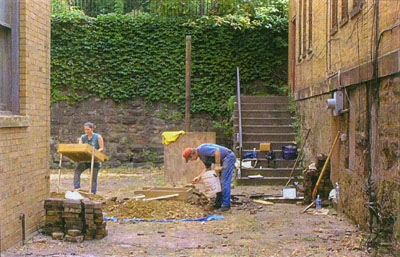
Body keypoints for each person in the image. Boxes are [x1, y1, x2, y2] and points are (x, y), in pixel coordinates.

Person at [182, 143, 236, 212]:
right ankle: (218, 203)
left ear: (192, 154)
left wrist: (217, 165)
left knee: (224, 181)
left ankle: (226, 205)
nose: (191, 161)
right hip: (223, 160)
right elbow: (208, 168)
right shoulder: (201, 156)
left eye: (190, 159)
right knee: (218, 182)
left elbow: (217, 151)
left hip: (228, 157)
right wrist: (199, 177)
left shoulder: (202, 149)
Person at [73, 122, 104, 194]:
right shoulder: (83, 137)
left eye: (88, 129)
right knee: (77, 172)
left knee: (93, 178)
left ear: (92, 129)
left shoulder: (98, 137)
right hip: (85, 160)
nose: (86, 131)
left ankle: (93, 192)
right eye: (85, 130)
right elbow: (80, 147)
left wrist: (94, 152)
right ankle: (76, 188)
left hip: (95, 160)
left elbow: (101, 148)